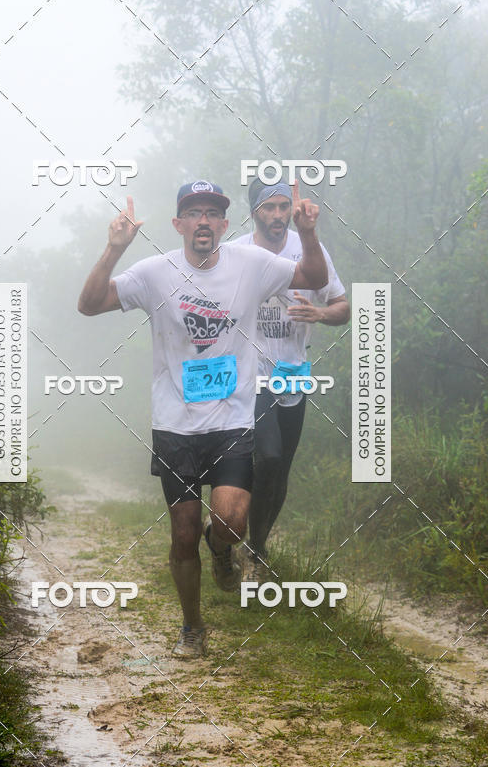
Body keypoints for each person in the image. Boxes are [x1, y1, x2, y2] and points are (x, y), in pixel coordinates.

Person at [77, 180, 328, 659]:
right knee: (183, 532)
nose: (204, 220)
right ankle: (192, 627)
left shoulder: (252, 265)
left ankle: (224, 550)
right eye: (194, 212)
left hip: (233, 418)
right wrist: (113, 250)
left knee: (230, 521)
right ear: (179, 225)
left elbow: (313, 278)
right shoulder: (154, 273)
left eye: (213, 212)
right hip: (176, 425)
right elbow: (89, 304)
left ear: (225, 224)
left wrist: (309, 233)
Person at [235, 178, 350, 580]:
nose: (279, 215)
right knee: (266, 456)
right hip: (248, 375)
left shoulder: (308, 250)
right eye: (270, 207)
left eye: (284, 206)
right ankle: (230, 527)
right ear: (254, 212)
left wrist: (320, 314)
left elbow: (342, 305)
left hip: (295, 374)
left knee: (279, 468)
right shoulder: (236, 253)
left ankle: (257, 547)